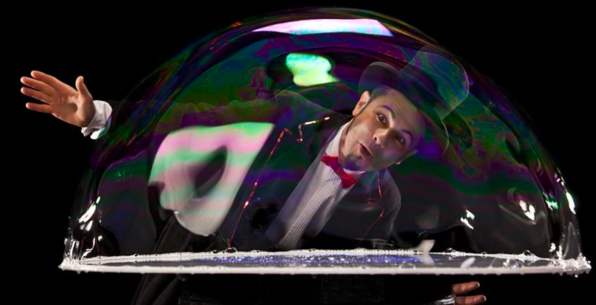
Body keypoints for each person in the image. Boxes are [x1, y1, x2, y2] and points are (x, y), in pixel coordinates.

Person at [21, 47, 487, 304]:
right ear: (362, 104)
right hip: (197, 281)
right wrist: (98, 115)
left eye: (400, 139)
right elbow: (189, 119)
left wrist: (434, 296)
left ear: (404, 156)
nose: (382, 139)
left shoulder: (385, 202)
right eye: (382, 118)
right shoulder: (286, 115)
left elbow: (356, 283)